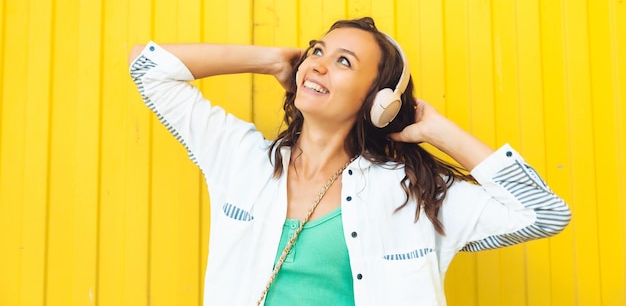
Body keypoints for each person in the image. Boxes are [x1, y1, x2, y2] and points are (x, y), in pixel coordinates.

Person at [128, 17, 571, 306]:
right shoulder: (242, 160)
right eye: (316, 52)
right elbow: (147, 67)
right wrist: (270, 61)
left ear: (377, 101)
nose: (318, 65)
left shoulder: (409, 193)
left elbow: (543, 213)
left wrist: (439, 131)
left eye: (343, 62)